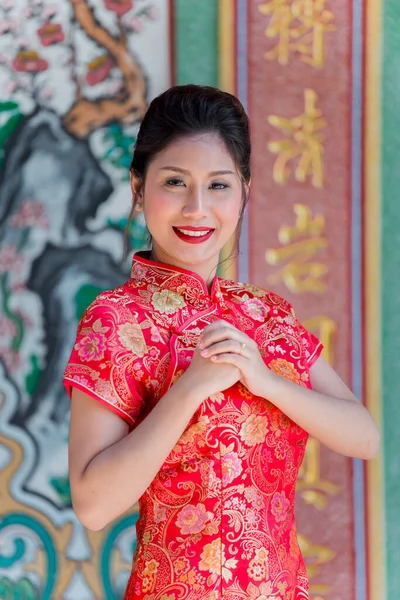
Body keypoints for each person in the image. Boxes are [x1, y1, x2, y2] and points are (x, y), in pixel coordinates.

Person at [64, 85, 379, 600]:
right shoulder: (118, 319)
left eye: (218, 186)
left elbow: (363, 437)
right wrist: (188, 390)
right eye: (174, 182)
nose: (196, 208)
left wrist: (265, 380)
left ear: (244, 193)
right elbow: (94, 505)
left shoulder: (267, 315)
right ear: (138, 188)